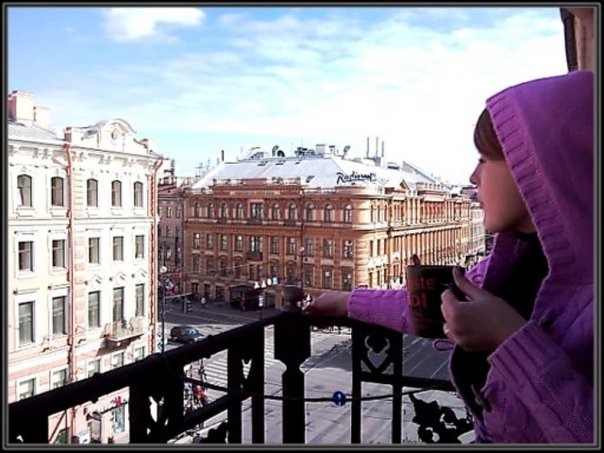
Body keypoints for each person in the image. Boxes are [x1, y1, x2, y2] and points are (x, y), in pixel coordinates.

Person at [304, 70, 594, 443]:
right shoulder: (514, 260)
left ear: (540, 167)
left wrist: (509, 339)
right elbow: (435, 306)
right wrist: (345, 302)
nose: (472, 176)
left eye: (484, 159)